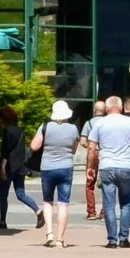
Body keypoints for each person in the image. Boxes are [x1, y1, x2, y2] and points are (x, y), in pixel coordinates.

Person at [86, 95, 130, 249]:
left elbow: (92, 147)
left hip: (107, 166)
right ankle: (124, 238)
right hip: (126, 166)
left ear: (106, 108)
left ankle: (112, 240)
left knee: (109, 204)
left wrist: (91, 167)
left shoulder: (100, 123)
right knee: (126, 203)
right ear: (120, 107)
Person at [32, 100, 82, 247]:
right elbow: (74, 150)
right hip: (66, 167)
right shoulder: (73, 129)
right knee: (63, 204)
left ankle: (49, 232)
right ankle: (60, 239)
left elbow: (34, 146)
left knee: (47, 201)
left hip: (47, 167)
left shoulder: (45, 127)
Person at [0, 105, 42, 231]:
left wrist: (2, 167)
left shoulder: (7, 131)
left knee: (3, 194)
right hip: (20, 166)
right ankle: (37, 210)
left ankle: (3, 220)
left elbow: (5, 150)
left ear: (3, 119)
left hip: (9, 166)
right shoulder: (20, 131)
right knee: (20, 193)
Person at [84, 99, 106, 219]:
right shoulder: (108, 122)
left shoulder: (89, 123)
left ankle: (91, 212)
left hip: (92, 153)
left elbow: (83, 141)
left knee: (89, 183)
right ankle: (104, 213)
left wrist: (90, 145)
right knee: (106, 183)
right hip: (105, 154)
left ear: (94, 110)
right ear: (105, 110)